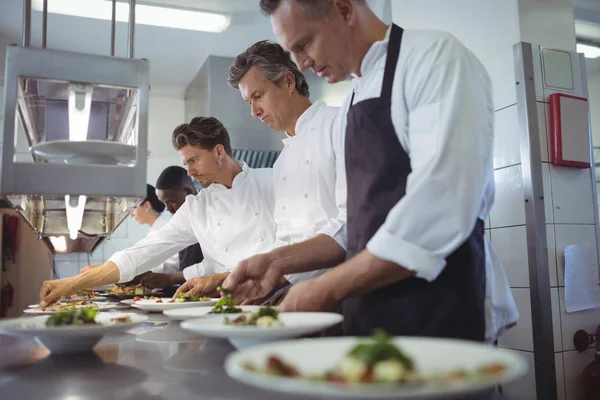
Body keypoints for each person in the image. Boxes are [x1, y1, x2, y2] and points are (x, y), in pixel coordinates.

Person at [224, 0, 518, 342]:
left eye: (304, 45)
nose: (300, 65)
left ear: (345, 10)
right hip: (374, 308)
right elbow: (352, 225)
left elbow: (441, 208)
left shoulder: (433, 58)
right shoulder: (353, 99)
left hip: (442, 305)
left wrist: (327, 286)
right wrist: (278, 261)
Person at [39, 117, 277, 307]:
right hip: (228, 308)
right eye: (186, 164)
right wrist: (72, 283)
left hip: (277, 301)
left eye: (194, 160)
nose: (190, 172)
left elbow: (294, 249)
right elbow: (144, 252)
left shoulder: (272, 181)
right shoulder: (197, 207)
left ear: (218, 151)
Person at [205, 39, 345, 304]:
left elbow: (350, 228)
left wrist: (280, 273)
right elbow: (286, 241)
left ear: (288, 82)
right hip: (291, 289)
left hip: (335, 290)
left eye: (258, 96)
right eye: (248, 102)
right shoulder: (282, 161)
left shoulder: (339, 124)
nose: (254, 112)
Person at [133, 166, 205, 290]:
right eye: (164, 203)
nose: (168, 208)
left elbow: (210, 267)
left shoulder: (206, 218)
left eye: (171, 201)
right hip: (190, 289)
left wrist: (169, 278)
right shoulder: (181, 221)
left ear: (186, 192)